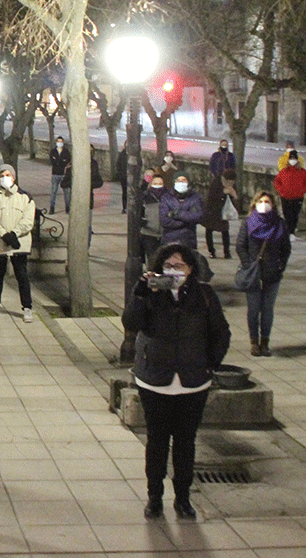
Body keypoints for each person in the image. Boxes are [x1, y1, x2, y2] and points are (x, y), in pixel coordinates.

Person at [122, 243, 230, 521]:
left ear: (191, 269)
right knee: (157, 441)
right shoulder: (151, 293)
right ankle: (154, 497)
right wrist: (140, 293)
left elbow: (221, 332)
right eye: (168, 266)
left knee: (185, 442)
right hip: (155, 380)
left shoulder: (203, 294)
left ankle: (183, 498)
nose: (173, 271)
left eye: (179, 266)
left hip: (193, 381)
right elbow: (131, 323)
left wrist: (210, 364)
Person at [236, 191, 291, 357]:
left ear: (273, 205)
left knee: (267, 310)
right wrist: (248, 264)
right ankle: (254, 342)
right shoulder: (248, 222)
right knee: (253, 309)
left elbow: (286, 248)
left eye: (267, 201)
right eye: (261, 201)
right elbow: (240, 246)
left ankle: (265, 342)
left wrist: (280, 265)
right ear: (255, 203)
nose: (264, 203)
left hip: (272, 273)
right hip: (253, 272)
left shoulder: (279, 223)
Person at [0, 163, 35, 323]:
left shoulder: (25, 197)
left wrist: (15, 234)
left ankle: (27, 308)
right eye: (2, 175)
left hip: (19, 243)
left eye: (8, 175)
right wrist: (4, 234)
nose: (5, 178)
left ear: (14, 176)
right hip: (0, 243)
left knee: (22, 276)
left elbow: (28, 220)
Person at [160, 173, 203, 249]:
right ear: (174, 182)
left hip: (188, 240)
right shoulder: (166, 198)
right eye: (178, 180)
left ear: (188, 182)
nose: (181, 183)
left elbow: (197, 216)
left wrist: (176, 214)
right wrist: (186, 222)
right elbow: (164, 220)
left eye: (183, 180)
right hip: (169, 239)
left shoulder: (195, 197)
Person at [202, 169, 237, 259]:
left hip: (223, 212)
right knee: (209, 230)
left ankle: (227, 252)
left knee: (225, 231)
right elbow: (211, 196)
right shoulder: (216, 182)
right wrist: (223, 193)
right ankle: (211, 251)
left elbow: (235, 199)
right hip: (212, 210)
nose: (231, 184)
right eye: (229, 182)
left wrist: (234, 195)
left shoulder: (233, 185)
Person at [273, 149, 306, 241]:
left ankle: (291, 232)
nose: (292, 160)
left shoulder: (302, 172)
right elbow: (277, 181)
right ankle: (288, 232)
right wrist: (281, 190)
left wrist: (301, 190)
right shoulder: (284, 171)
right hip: (285, 196)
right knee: (287, 215)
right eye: (291, 158)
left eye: (294, 158)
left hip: (297, 197)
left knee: (295, 215)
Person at [139, 173, 168, 263]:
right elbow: (138, 214)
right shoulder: (144, 197)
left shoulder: (168, 197)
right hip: (149, 234)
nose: (158, 186)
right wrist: (143, 222)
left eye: (160, 184)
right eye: (156, 183)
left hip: (165, 234)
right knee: (152, 259)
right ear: (151, 184)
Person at [49, 136, 71, 214]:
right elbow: (53, 161)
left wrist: (59, 161)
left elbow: (67, 161)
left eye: (61, 142)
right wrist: (61, 161)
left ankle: (68, 208)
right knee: (53, 191)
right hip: (55, 174)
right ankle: (52, 208)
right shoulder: (53, 151)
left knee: (67, 192)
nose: (59, 143)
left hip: (63, 174)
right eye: (58, 141)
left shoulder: (66, 151)